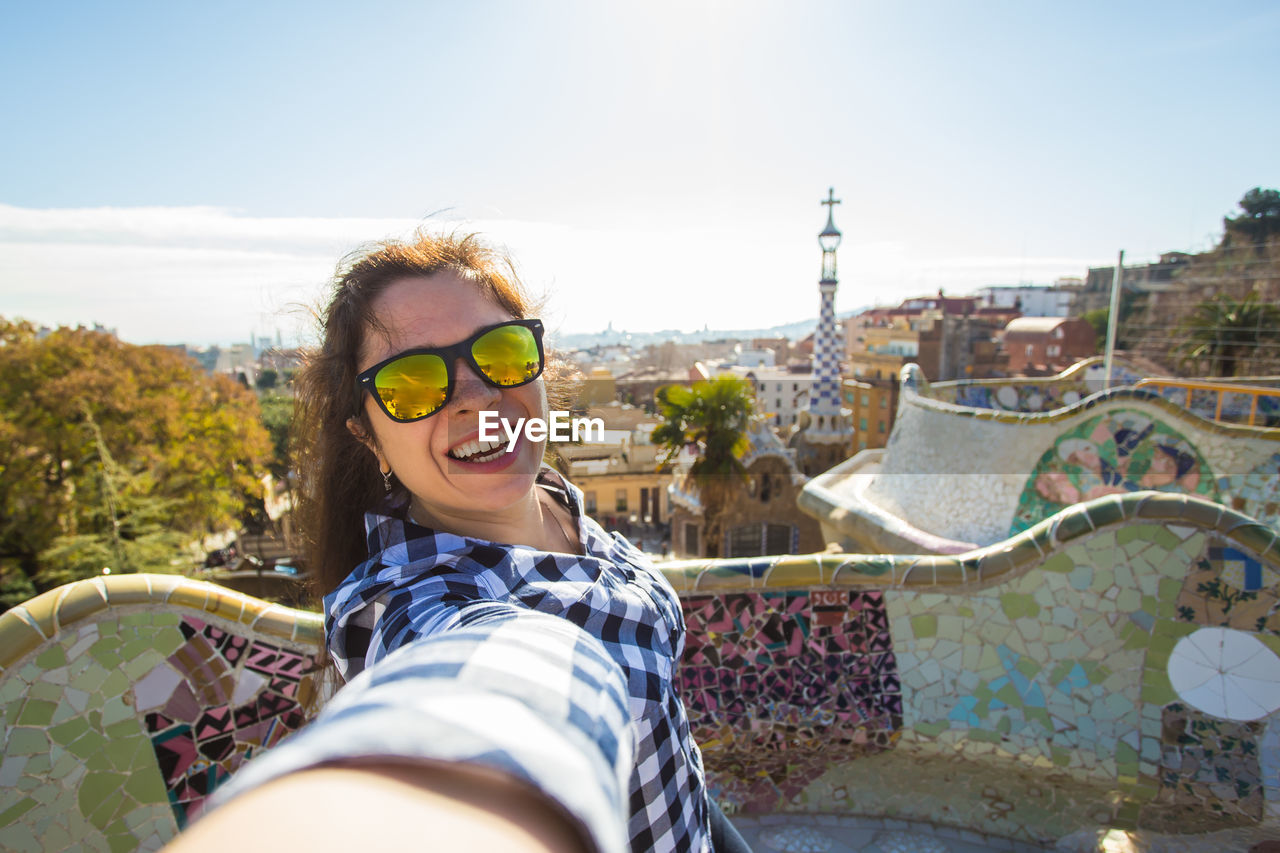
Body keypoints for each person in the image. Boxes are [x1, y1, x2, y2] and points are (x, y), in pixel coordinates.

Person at [188, 232, 748, 852]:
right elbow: (486, 674)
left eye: (501, 352)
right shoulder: (413, 599)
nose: (478, 397)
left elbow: (668, 758)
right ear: (368, 439)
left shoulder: (562, 507)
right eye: (411, 384)